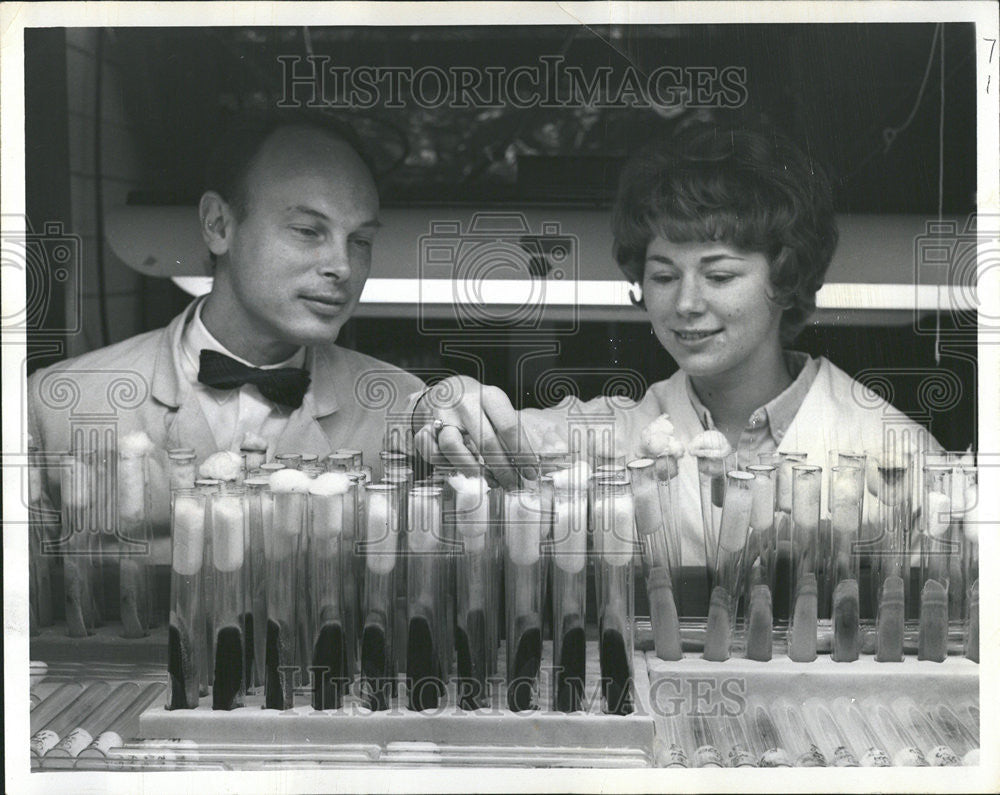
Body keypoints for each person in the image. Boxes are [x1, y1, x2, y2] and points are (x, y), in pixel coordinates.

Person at [413, 121, 942, 566]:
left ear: (785, 277)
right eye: (664, 277)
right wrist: (441, 407)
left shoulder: (894, 449)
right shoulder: (617, 435)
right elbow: (503, 438)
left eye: (719, 276)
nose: (686, 303)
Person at [28, 112, 424, 539]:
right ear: (218, 224)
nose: (343, 267)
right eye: (308, 230)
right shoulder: (54, 407)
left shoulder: (403, 410)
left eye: (360, 240)